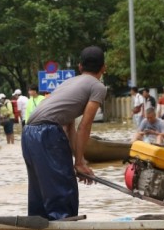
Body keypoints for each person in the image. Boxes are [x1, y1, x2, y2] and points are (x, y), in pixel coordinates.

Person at [22, 45, 107, 220]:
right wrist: (79, 162)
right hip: (47, 132)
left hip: (28, 133)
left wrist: (78, 161)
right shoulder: (98, 87)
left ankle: (39, 223)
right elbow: (84, 126)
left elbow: (70, 127)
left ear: (80, 67)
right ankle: (64, 225)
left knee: (40, 188)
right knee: (63, 188)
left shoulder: (68, 82)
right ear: (103, 68)